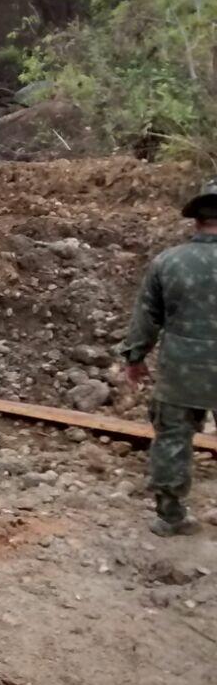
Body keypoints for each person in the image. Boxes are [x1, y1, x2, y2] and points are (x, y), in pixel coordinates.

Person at [122, 179, 217, 538]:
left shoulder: (168, 262)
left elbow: (146, 317)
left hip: (181, 370)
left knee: (173, 440)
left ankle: (171, 516)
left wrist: (135, 358)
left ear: (195, 220)